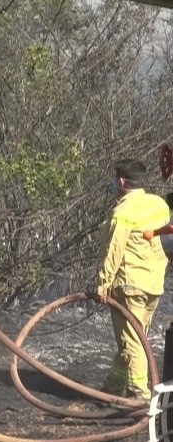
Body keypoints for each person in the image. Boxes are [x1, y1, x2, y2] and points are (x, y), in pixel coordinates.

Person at [95, 159, 170, 401]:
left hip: (129, 287)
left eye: (115, 179)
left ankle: (143, 398)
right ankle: (114, 386)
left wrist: (102, 286)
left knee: (133, 342)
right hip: (153, 285)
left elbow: (112, 253)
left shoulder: (122, 213)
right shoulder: (159, 204)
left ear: (122, 181)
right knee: (136, 338)